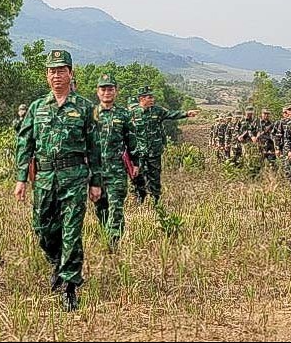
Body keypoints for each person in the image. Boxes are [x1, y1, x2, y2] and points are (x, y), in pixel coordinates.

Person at [13, 49, 101, 311]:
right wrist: (21, 179)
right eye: (52, 71)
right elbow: (24, 143)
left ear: (71, 73)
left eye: (61, 70)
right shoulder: (37, 107)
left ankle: (70, 287)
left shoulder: (85, 108)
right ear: (46, 76)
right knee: (42, 229)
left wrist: (95, 181)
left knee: (72, 233)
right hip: (44, 178)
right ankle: (57, 262)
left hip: (74, 177)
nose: (56, 75)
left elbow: (94, 147)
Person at [91, 72, 140, 251]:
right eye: (103, 89)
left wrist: (135, 163)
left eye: (110, 88)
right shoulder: (91, 114)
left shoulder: (124, 115)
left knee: (116, 207)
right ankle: (106, 234)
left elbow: (131, 140)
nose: (106, 92)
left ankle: (113, 243)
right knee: (101, 208)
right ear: (98, 92)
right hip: (96, 171)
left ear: (116, 91)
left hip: (117, 170)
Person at [130, 86, 198, 204]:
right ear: (141, 98)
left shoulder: (158, 111)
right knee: (138, 177)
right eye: (149, 97)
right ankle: (139, 199)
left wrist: (186, 114)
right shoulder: (133, 113)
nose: (152, 99)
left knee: (155, 178)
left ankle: (155, 202)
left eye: (152, 97)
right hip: (139, 153)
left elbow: (171, 114)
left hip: (154, 152)